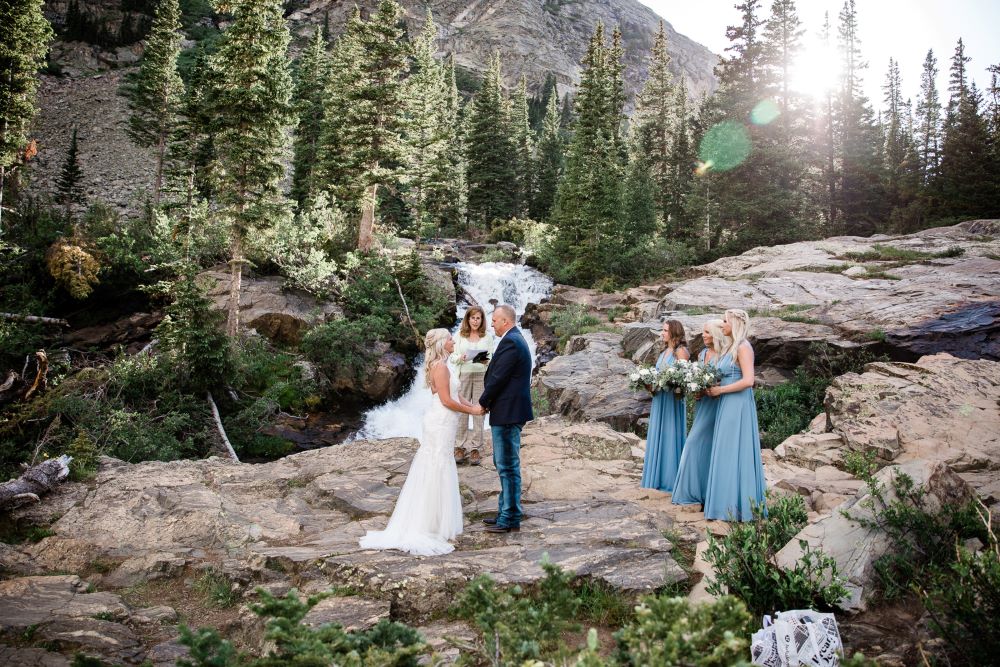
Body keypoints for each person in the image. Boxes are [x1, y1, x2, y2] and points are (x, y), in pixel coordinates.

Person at [359, 329, 483, 556]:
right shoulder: (441, 367)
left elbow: (453, 395)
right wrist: (471, 410)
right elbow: (447, 400)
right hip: (441, 421)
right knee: (437, 464)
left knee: (438, 463)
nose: (453, 340)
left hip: (441, 420)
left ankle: (432, 522)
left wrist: (475, 405)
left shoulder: (442, 364)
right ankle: (428, 525)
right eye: (450, 338)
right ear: (442, 343)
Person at [703, 309, 767, 521]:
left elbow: (749, 380)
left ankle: (738, 508)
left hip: (737, 405)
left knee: (733, 450)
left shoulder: (743, 347)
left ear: (736, 323)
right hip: (726, 403)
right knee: (725, 451)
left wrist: (720, 390)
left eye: (725, 320)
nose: (722, 325)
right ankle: (725, 504)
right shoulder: (730, 347)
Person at [477, 304, 533, 534]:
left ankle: (509, 518)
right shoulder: (515, 339)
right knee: (504, 464)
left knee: (508, 466)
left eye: (494, 321)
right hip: (508, 411)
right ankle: (505, 512)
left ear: (505, 322)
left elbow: (498, 378)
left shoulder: (511, 341)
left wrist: (483, 402)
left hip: (508, 413)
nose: (491, 325)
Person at [672, 319, 728, 507]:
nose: (703, 335)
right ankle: (701, 492)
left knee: (695, 443)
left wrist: (713, 388)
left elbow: (727, 380)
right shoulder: (703, 353)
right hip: (702, 405)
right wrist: (696, 390)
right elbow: (696, 376)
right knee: (702, 445)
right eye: (703, 332)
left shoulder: (725, 354)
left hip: (718, 405)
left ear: (717, 334)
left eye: (707, 332)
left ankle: (695, 493)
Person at [640, 319, 690, 492]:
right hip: (660, 398)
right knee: (658, 433)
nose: (662, 333)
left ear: (674, 332)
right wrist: (648, 382)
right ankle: (655, 477)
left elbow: (683, 380)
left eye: (665, 330)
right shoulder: (663, 352)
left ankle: (669, 480)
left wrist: (668, 382)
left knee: (670, 434)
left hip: (672, 401)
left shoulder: (681, 352)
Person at [450, 306, 495, 466]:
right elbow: (452, 357)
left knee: (478, 411)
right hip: (463, 375)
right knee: (462, 411)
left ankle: (475, 448)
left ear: (482, 320)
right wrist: (462, 357)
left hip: (481, 376)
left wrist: (482, 359)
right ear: (467, 319)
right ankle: (459, 447)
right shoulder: (459, 335)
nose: (475, 321)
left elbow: (490, 357)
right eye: (473, 318)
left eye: (478, 318)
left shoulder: (487, 337)